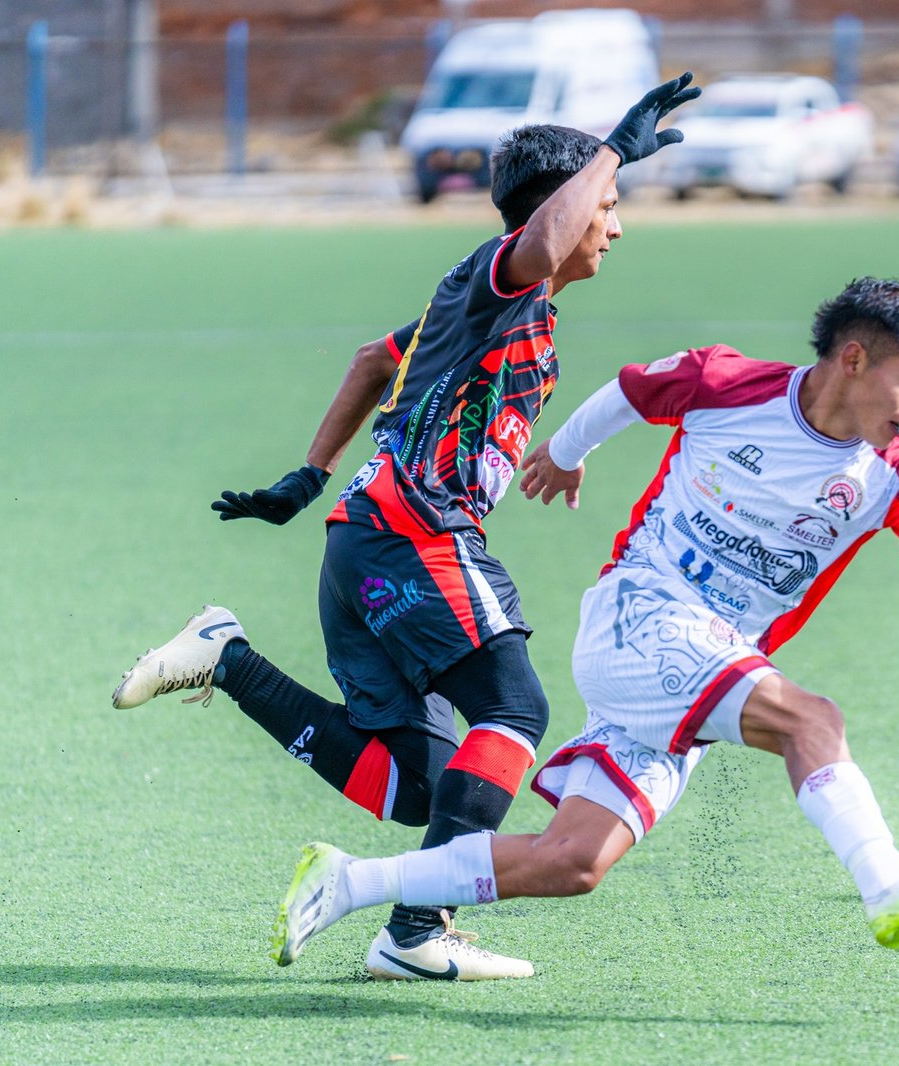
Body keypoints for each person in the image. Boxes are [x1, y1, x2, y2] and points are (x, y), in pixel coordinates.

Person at [269, 277, 899, 969]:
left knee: (573, 861)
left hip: (710, 656)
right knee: (812, 718)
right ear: (853, 360)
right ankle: (887, 883)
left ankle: (350, 882)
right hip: (640, 614)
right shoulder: (728, 381)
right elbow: (631, 392)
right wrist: (569, 452)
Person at [108, 74, 701, 981]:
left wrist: (308, 477)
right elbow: (533, 242)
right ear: (560, 208)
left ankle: (227, 659)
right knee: (514, 710)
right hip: (411, 538)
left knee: (421, 784)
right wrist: (609, 147)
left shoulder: (489, 302)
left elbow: (371, 361)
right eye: (607, 204)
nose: (614, 225)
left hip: (362, 540)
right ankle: (416, 930)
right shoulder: (503, 272)